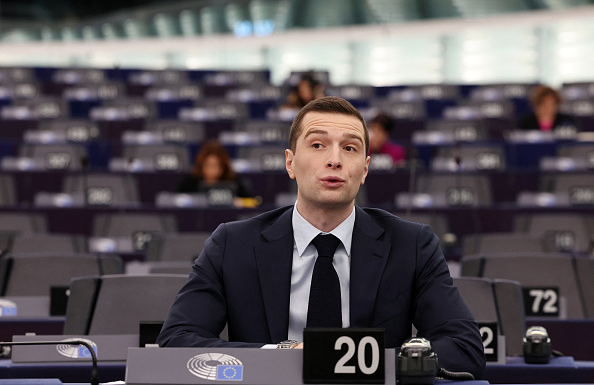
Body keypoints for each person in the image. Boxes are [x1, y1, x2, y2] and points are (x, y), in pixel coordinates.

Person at [158, 97, 485, 378]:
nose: (335, 159)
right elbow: (178, 339)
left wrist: (365, 366)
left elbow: (463, 347)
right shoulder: (232, 244)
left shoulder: (412, 245)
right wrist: (282, 354)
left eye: (350, 148)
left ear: (365, 169)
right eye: (317, 145)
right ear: (290, 163)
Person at [177, 139, 255, 204]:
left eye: (217, 166)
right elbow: (176, 201)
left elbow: (252, 202)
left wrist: (238, 202)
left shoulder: (234, 182)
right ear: (201, 166)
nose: (212, 170)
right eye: (208, 165)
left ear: (223, 167)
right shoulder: (189, 182)